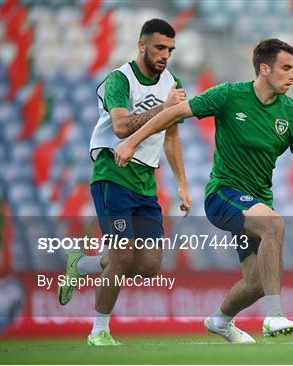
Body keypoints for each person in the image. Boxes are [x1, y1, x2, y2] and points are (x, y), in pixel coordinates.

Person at [114, 38, 293, 343]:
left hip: (256, 201)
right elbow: (174, 113)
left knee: (257, 282)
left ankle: (220, 320)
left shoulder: (292, 112)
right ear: (264, 69)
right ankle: (274, 315)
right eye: (286, 68)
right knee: (274, 224)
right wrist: (132, 140)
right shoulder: (229, 95)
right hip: (223, 194)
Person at [57, 18, 191, 346]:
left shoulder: (172, 82)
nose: (165, 55)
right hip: (112, 175)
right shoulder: (121, 78)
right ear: (142, 46)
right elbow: (120, 128)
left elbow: (171, 137)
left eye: (170, 50)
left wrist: (182, 184)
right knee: (121, 255)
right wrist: (165, 107)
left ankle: (82, 263)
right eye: (160, 47)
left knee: (149, 264)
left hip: (146, 182)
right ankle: (99, 332)